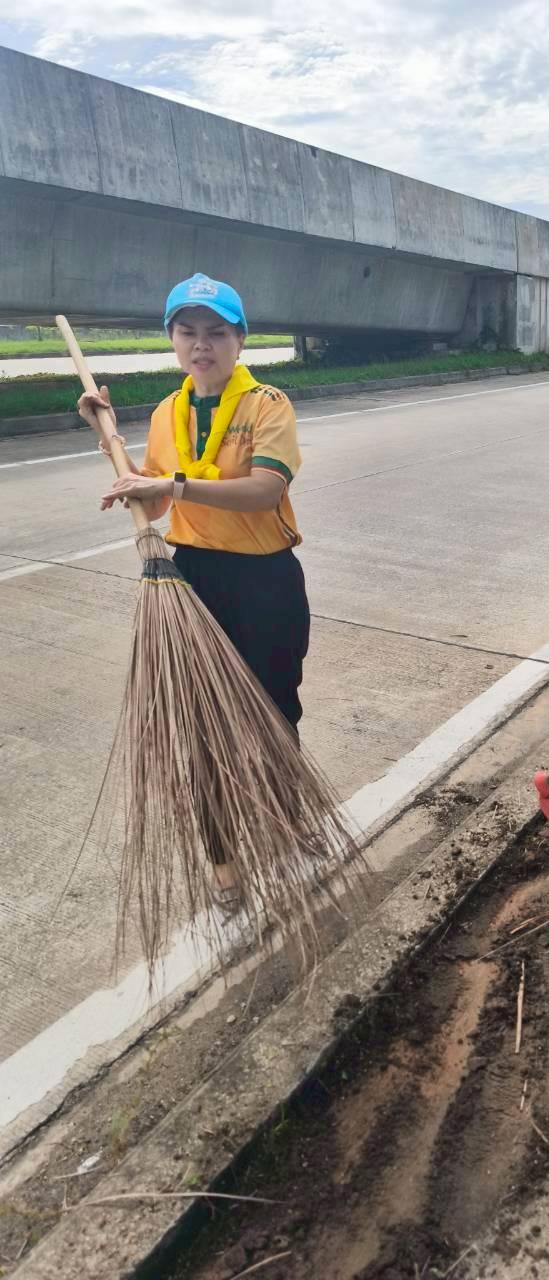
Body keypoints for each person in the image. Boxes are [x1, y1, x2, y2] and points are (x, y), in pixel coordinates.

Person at [77, 273, 309, 911]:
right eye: (188, 331)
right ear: (173, 340)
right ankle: (225, 863)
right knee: (199, 722)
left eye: (216, 331)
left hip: (265, 579)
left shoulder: (267, 405)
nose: (201, 344)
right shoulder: (162, 416)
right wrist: (109, 440)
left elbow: (264, 490)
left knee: (274, 711)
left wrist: (172, 485)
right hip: (191, 578)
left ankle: (288, 828)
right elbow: (151, 505)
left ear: (239, 340)